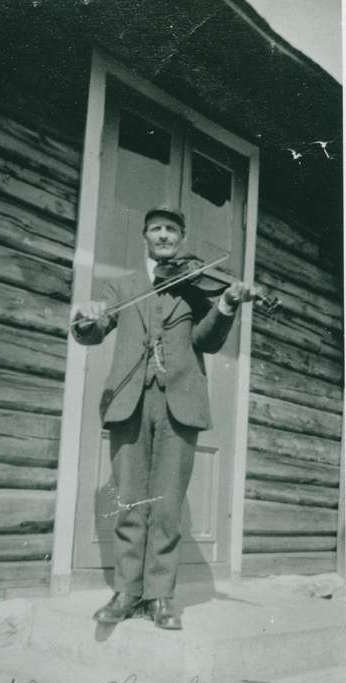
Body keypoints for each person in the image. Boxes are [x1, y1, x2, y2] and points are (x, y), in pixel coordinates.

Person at [72, 206, 255, 630]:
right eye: (156, 229)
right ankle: (125, 593)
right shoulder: (121, 286)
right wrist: (87, 320)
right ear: (145, 237)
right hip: (130, 402)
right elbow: (97, 328)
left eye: (171, 229)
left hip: (180, 406)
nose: (164, 235)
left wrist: (226, 304)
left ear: (181, 237)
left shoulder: (195, 289)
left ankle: (159, 598)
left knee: (168, 508)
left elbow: (204, 342)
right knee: (132, 502)